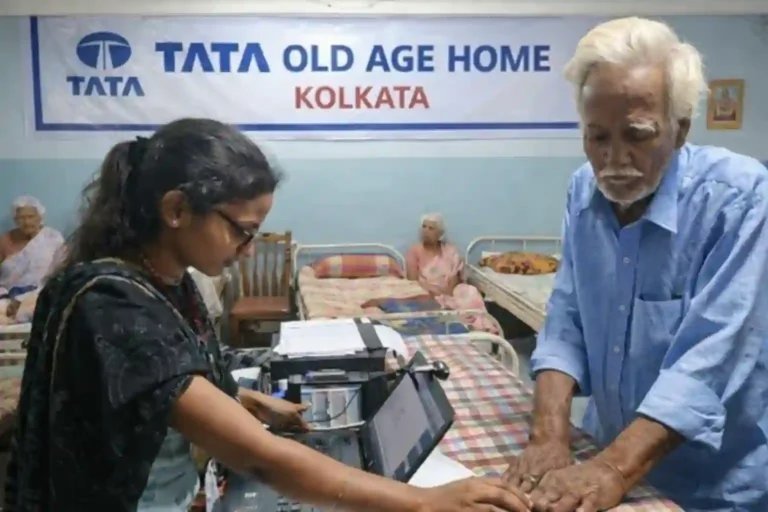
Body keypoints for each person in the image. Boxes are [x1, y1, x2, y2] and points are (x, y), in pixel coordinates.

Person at [4, 118, 532, 512]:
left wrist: (246, 398)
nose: (249, 249)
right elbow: (260, 457)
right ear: (176, 209)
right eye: (243, 231)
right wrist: (424, 503)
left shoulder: (168, 281)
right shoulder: (109, 303)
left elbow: (177, 373)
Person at [504, 17, 768, 512]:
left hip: (715, 486)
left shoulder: (741, 199)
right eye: (597, 136)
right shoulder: (583, 190)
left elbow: (711, 357)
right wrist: (549, 436)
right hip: (609, 455)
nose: (613, 159)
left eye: (637, 135)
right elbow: (567, 319)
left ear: (680, 129)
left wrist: (612, 469)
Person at [405, 213, 495, 332]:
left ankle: (482, 326)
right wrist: (433, 292)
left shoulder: (450, 250)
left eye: (431, 228)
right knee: (427, 304)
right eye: (424, 227)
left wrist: (447, 295)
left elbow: (456, 277)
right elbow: (412, 281)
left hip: (451, 291)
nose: (425, 231)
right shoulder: (414, 250)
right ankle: (463, 324)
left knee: (470, 291)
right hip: (427, 292)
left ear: (440, 234)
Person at [0, 196, 64, 323]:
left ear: (40, 218)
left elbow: (62, 271)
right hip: (6, 298)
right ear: (15, 220)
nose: (27, 222)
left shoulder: (53, 238)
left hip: (40, 295)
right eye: (21, 218)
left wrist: (23, 299)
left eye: (31, 217)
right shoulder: (5, 240)